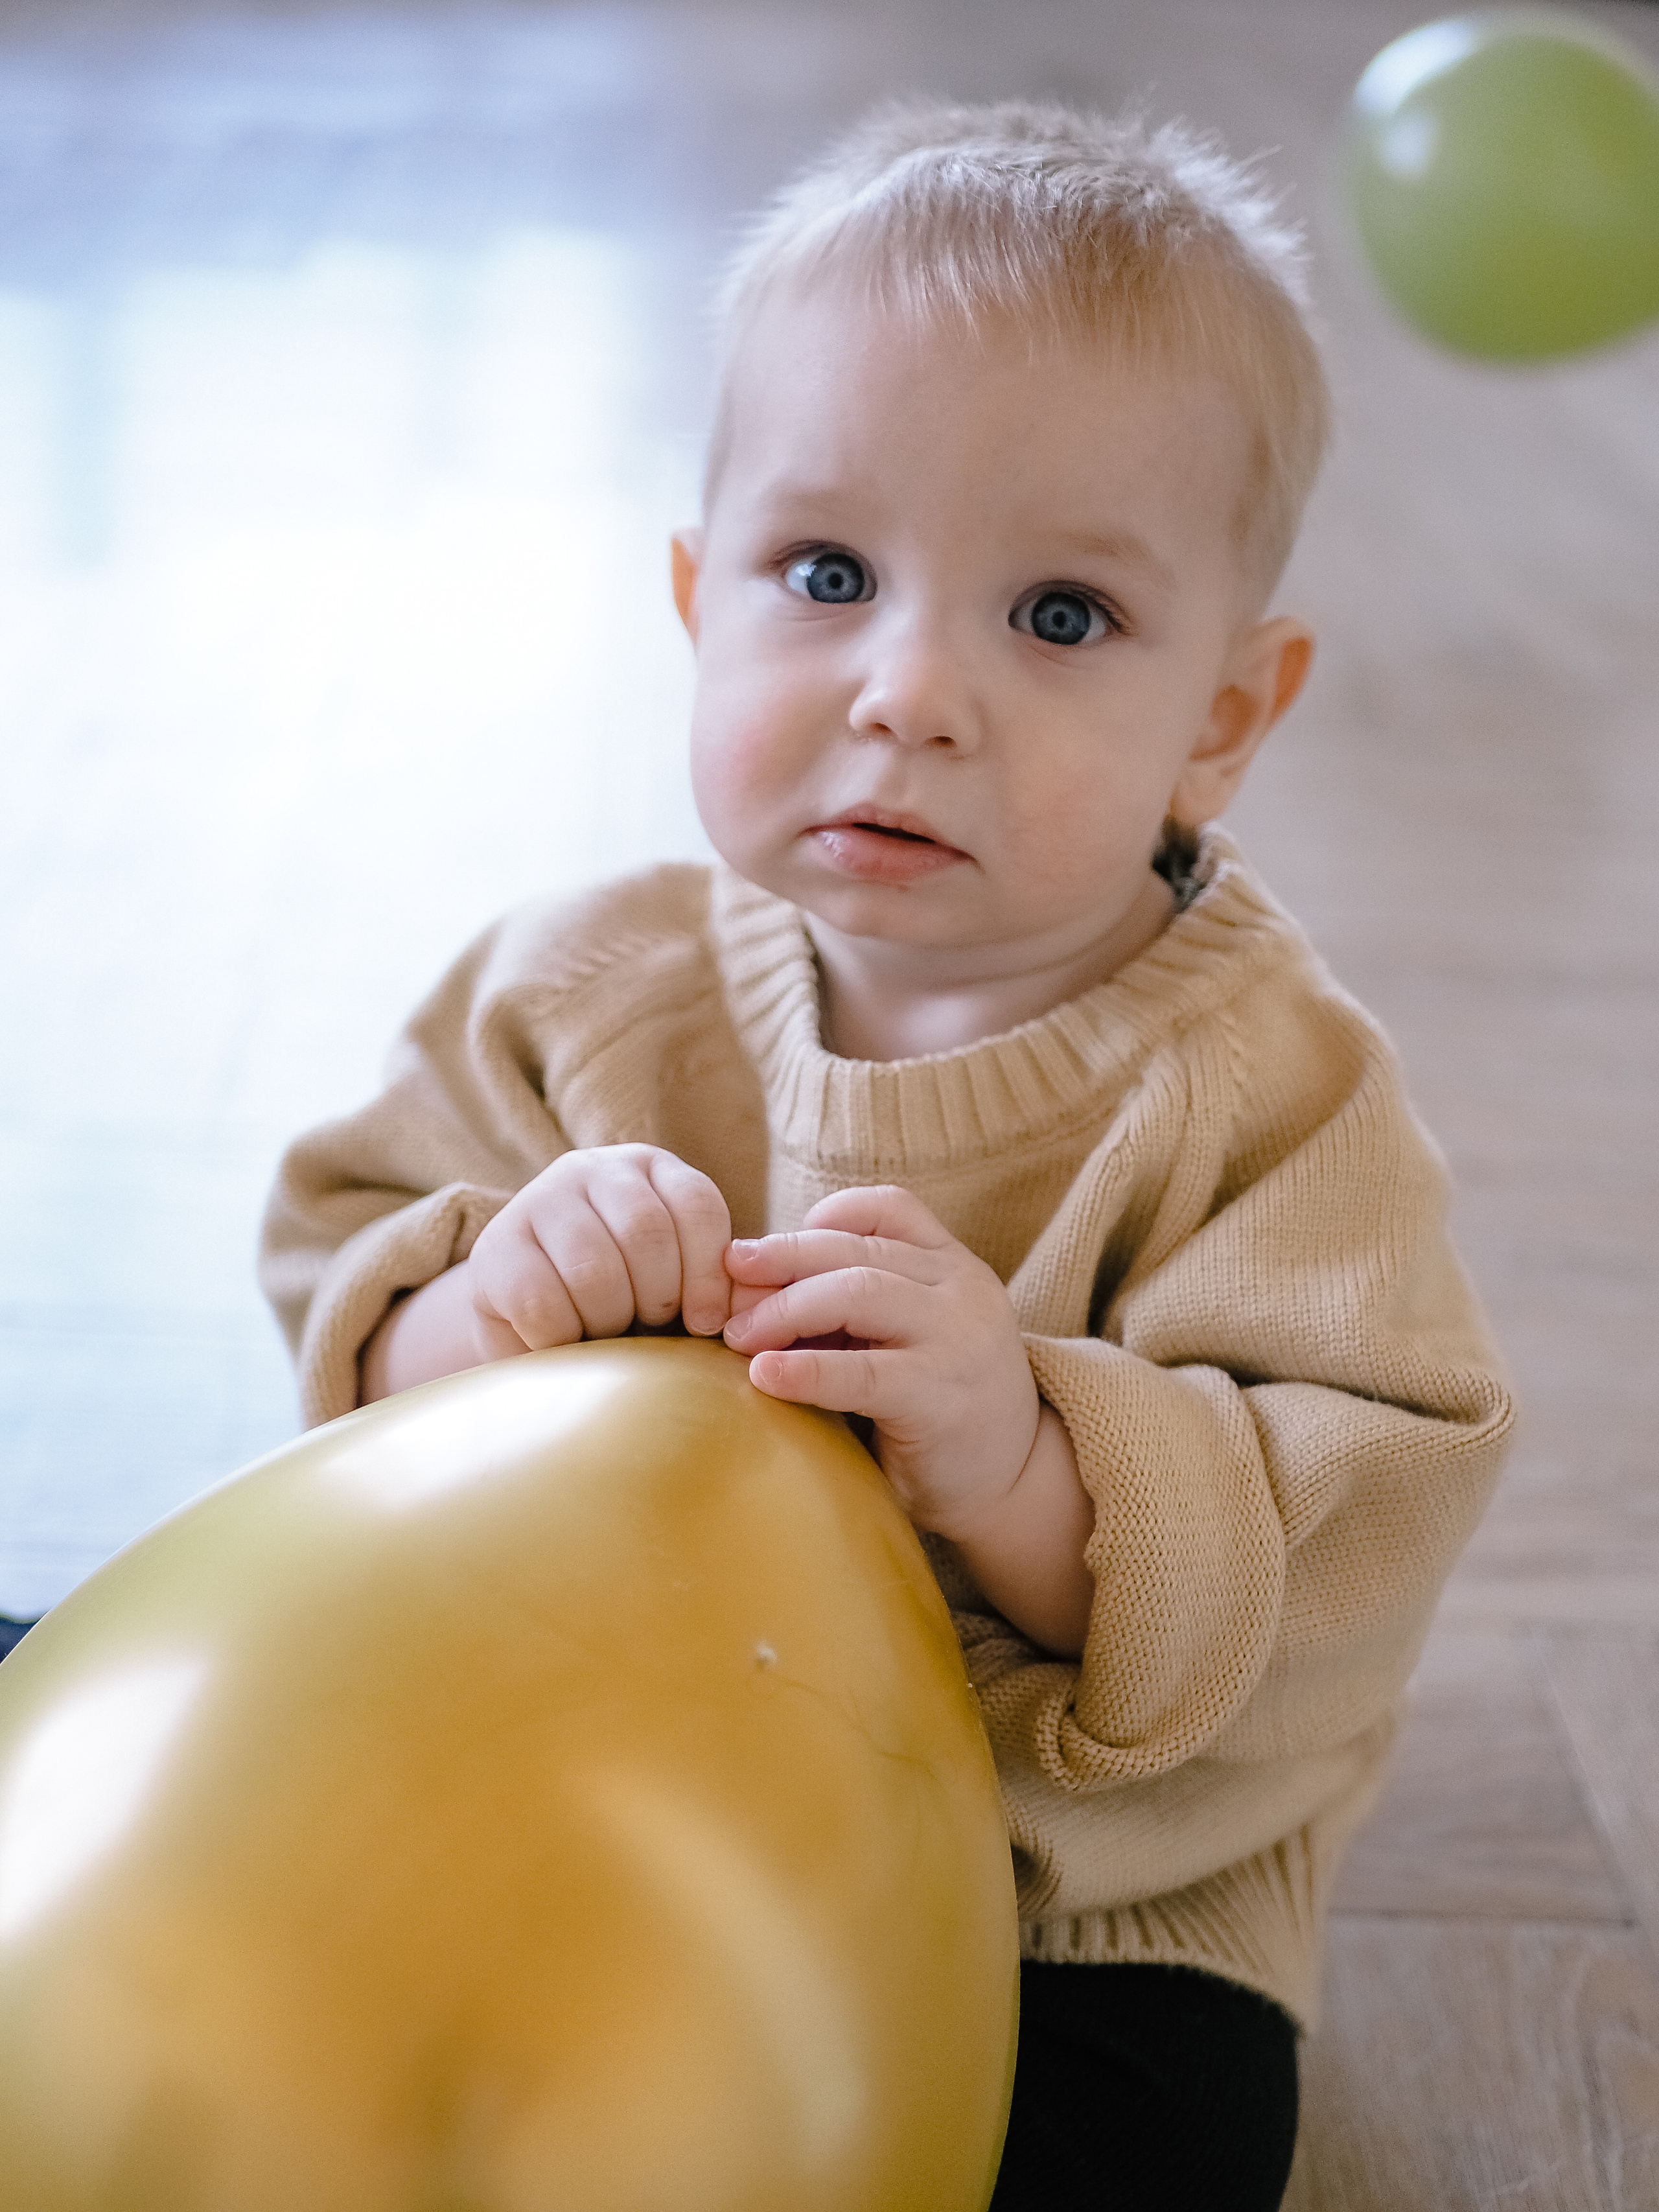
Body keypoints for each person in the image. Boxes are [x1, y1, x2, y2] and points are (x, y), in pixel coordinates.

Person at [260, 100, 1513, 2210]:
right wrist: (483, 1310)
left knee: (1148, 2148)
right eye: (824, 576)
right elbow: (344, 1273)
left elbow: (1357, 1527)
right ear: (696, 592)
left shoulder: (1275, 1095)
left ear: (1228, 711)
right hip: (571, 1766)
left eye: (1060, 616)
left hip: (1048, 1901)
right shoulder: (591, 985)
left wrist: (1028, 1459)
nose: (909, 689)